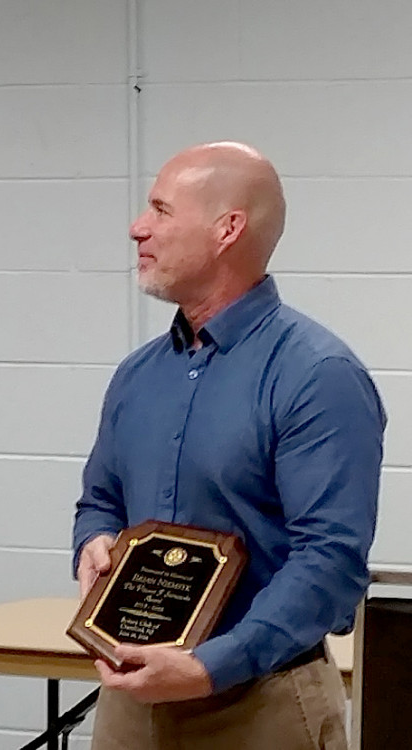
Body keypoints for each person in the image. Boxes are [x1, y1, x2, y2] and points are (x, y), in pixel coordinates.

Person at [73, 142, 385, 749]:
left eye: (161, 210)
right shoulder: (138, 376)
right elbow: (100, 500)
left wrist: (210, 667)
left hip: (259, 705)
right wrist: (93, 542)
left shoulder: (318, 375)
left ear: (228, 229)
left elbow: (332, 560)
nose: (139, 228)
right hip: (131, 705)